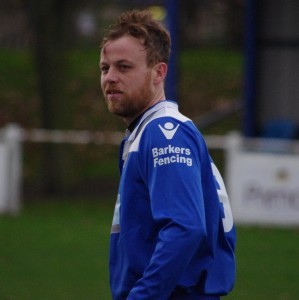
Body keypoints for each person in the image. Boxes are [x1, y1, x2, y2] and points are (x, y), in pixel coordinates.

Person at [99, 9, 236, 300]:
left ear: (159, 72)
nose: (110, 78)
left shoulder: (164, 133)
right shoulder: (145, 132)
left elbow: (185, 229)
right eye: (104, 68)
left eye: (123, 67)